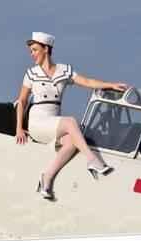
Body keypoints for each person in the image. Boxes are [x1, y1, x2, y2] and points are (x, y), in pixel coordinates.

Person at [15, 31, 129, 200]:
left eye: (35, 49)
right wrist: (19, 128)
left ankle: (46, 177)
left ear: (46, 49)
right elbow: (22, 101)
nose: (32, 54)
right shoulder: (31, 74)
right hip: (38, 121)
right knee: (71, 121)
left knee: (71, 141)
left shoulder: (64, 70)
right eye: (31, 51)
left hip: (53, 121)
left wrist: (111, 85)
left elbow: (88, 82)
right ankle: (92, 159)